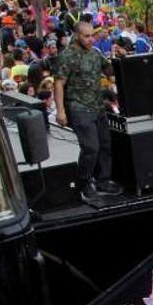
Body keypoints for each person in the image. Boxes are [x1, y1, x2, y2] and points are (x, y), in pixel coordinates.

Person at [53, 20, 119, 201]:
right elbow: (59, 83)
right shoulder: (67, 56)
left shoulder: (95, 54)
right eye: (86, 36)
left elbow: (109, 71)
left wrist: (118, 59)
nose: (90, 40)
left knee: (105, 145)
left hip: (97, 106)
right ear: (76, 36)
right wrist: (61, 111)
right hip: (78, 107)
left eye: (92, 36)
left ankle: (103, 180)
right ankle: (84, 182)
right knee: (91, 148)